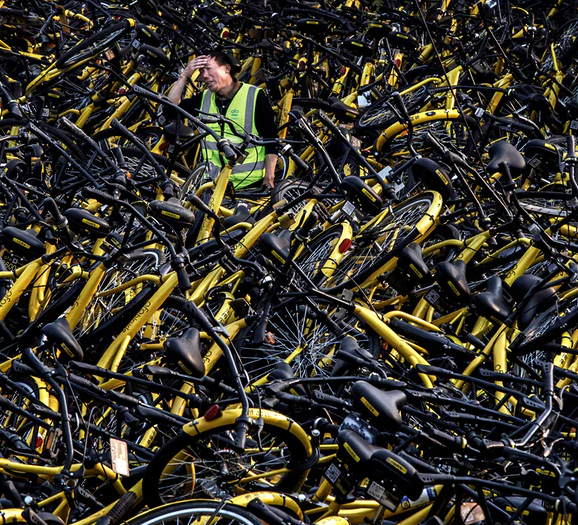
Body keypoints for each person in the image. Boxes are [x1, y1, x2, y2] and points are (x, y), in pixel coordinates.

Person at [168, 51, 278, 190]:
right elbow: (170, 110)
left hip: (249, 185)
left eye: (208, 69)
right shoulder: (205, 98)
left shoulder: (254, 96)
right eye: (201, 71)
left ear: (226, 69)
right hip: (212, 184)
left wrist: (269, 179)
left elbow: (271, 140)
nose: (204, 76)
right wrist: (184, 76)